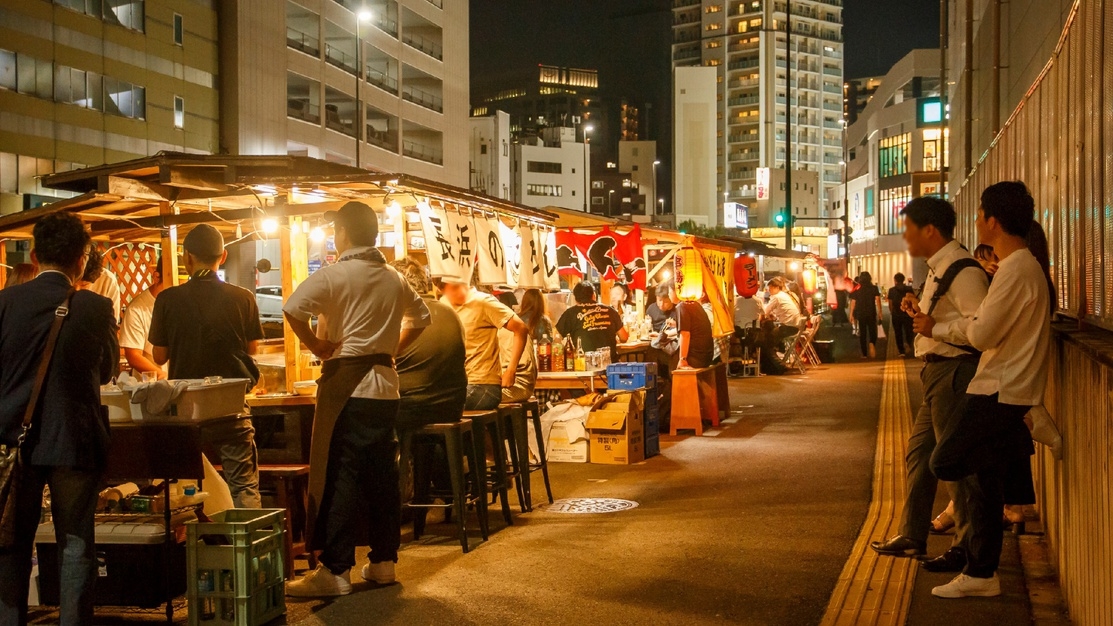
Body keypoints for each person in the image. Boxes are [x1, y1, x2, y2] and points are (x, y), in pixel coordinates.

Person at [283, 202, 431, 597]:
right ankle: (383, 563)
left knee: (341, 473)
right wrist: (389, 352)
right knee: (382, 477)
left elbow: (292, 308)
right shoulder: (394, 278)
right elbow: (422, 320)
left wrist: (316, 343)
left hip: (348, 387)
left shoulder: (335, 275)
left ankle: (335, 571)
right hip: (386, 387)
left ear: (341, 233)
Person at [921, 181, 1052, 599]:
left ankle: (981, 568)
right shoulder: (1021, 266)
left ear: (994, 221)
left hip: (1001, 388)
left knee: (948, 461)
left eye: (979, 214)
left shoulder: (1015, 269)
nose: (976, 221)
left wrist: (938, 327)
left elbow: (981, 333)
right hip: (1006, 387)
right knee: (984, 473)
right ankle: (981, 572)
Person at [0, 214, 118, 625]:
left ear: (34, 255)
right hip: (74, 440)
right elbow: (105, 372)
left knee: (12, 543)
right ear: (83, 259)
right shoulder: (96, 308)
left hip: (15, 443)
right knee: (75, 543)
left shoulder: (3, 303)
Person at [869, 196, 988, 576]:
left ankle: (968, 550)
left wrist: (932, 327)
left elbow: (982, 330)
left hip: (955, 373)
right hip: (937, 373)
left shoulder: (964, 271)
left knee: (956, 465)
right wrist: (920, 313)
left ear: (929, 230)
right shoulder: (940, 268)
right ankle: (912, 534)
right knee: (920, 454)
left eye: (908, 229)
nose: (905, 237)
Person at [148, 224, 264, 509]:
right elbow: (251, 349)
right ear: (222, 257)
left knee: (185, 489)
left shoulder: (167, 299)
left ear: (187, 258)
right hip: (231, 405)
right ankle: (247, 550)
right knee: (244, 487)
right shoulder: (243, 298)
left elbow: (159, 356)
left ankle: (194, 549)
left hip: (186, 410)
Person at [437, 277, 529, 411]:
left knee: (440, 407)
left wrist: (511, 370)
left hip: (484, 385)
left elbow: (521, 328)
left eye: (456, 286)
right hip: (457, 383)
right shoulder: (443, 304)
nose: (454, 293)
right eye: (448, 290)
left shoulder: (483, 301)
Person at [119, 257, 167, 379]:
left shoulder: (182, 304)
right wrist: (162, 374)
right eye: (172, 283)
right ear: (156, 277)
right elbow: (133, 355)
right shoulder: (136, 310)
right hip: (151, 388)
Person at [556, 282, 628, 356]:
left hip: (583, 364)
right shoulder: (610, 311)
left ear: (575, 299)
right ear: (594, 295)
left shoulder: (570, 313)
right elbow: (624, 337)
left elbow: (556, 339)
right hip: (610, 365)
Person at [653, 281, 713, 370]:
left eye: (670, 292)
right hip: (706, 357)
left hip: (694, 358)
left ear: (677, 291)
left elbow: (685, 335)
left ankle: (669, 382)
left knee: (653, 351)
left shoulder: (682, 306)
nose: (669, 295)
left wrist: (682, 360)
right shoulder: (694, 304)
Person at [78, 247, 122, 321]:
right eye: (74, 284)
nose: (77, 289)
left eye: (83, 285)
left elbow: (112, 321)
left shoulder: (108, 280)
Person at [848, 272, 882, 359]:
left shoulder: (856, 288)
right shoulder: (873, 288)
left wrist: (851, 314)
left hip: (860, 313)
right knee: (872, 331)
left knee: (862, 333)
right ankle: (871, 342)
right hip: (871, 312)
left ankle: (864, 354)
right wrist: (880, 312)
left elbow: (853, 302)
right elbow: (878, 300)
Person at [763, 277, 805, 346]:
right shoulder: (785, 295)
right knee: (772, 329)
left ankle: (772, 355)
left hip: (788, 328)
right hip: (795, 326)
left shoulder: (777, 297)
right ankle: (779, 351)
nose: (769, 291)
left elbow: (765, 312)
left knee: (769, 336)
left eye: (770, 289)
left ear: (777, 287)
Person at [887, 272, 916, 357]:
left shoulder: (892, 290)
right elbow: (913, 300)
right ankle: (908, 343)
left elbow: (890, 303)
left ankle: (901, 351)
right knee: (909, 330)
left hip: (896, 314)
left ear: (895, 280)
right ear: (903, 279)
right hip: (907, 313)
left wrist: (892, 312)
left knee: (898, 332)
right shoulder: (909, 289)